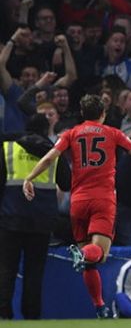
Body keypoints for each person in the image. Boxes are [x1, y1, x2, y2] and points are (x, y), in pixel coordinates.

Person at [22, 94, 131, 318]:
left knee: (89, 263)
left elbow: (51, 157)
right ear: (103, 114)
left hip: (78, 201)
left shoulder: (71, 133)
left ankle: (99, 307)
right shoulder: (112, 133)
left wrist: (29, 177)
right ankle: (83, 256)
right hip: (102, 199)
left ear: (82, 113)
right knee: (99, 254)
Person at [0, 115, 68, 319]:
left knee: (6, 271)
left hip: (10, 219)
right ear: (46, 130)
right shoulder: (54, 151)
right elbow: (67, 184)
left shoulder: (8, 148)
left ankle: (4, 315)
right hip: (42, 222)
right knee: (34, 273)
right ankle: (32, 317)